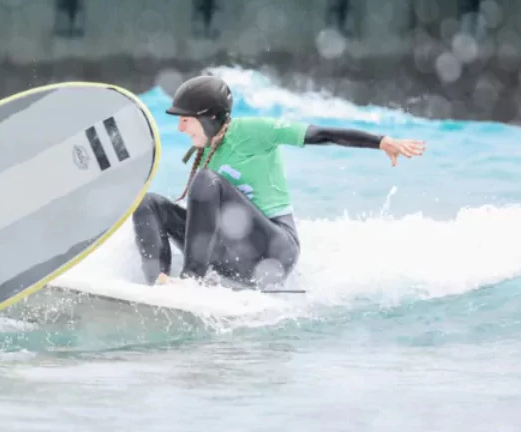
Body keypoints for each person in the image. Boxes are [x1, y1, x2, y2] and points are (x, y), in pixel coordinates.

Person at [132, 75, 426, 290]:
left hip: (273, 251)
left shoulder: (255, 131)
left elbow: (321, 134)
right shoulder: (208, 146)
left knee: (206, 181)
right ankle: (159, 286)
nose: (180, 127)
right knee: (147, 203)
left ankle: (190, 283)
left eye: (186, 119)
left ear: (209, 118)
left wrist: (381, 141)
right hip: (228, 255)